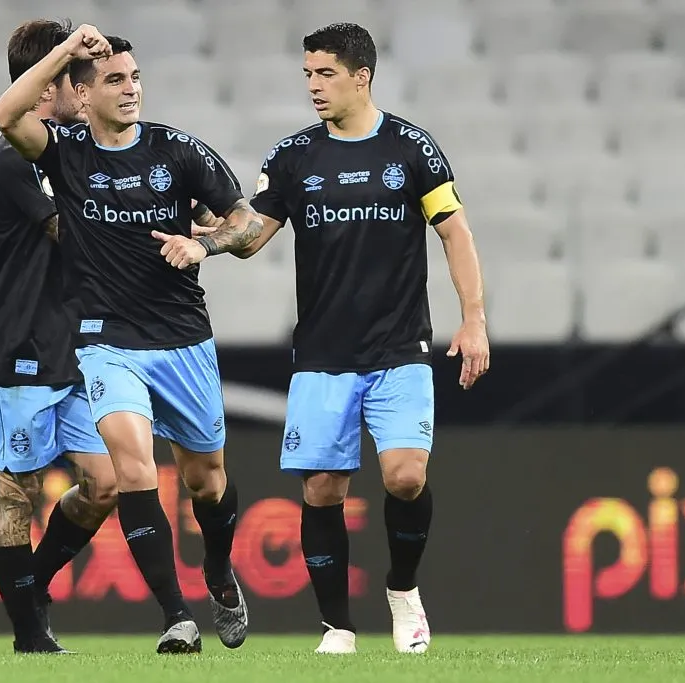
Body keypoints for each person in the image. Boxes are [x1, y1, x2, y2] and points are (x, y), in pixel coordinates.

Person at [0, 25, 264, 654]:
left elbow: (245, 222)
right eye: (115, 79)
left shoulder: (178, 150)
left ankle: (219, 570)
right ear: (82, 96)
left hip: (183, 337)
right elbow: (5, 113)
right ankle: (177, 617)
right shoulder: (63, 151)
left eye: (135, 77)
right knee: (134, 470)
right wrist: (65, 52)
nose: (132, 89)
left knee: (207, 482)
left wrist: (204, 243)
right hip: (106, 340)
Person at [227, 23, 490, 654]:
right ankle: (338, 627)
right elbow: (252, 235)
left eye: (325, 74)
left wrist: (474, 319)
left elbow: (455, 233)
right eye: (308, 74)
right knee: (322, 489)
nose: (313, 87)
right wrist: (204, 241)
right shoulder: (293, 156)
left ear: (360, 75)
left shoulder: (411, 148)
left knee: (404, 476)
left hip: (399, 345)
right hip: (322, 352)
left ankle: (403, 592)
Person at [0, 19, 118, 655]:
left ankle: (35, 583)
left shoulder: (69, 150)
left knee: (107, 481)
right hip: (22, 345)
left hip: (73, 346)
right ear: (48, 84)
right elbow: (75, 232)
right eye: (75, 79)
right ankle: (31, 637)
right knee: (17, 493)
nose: (84, 91)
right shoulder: (16, 158)